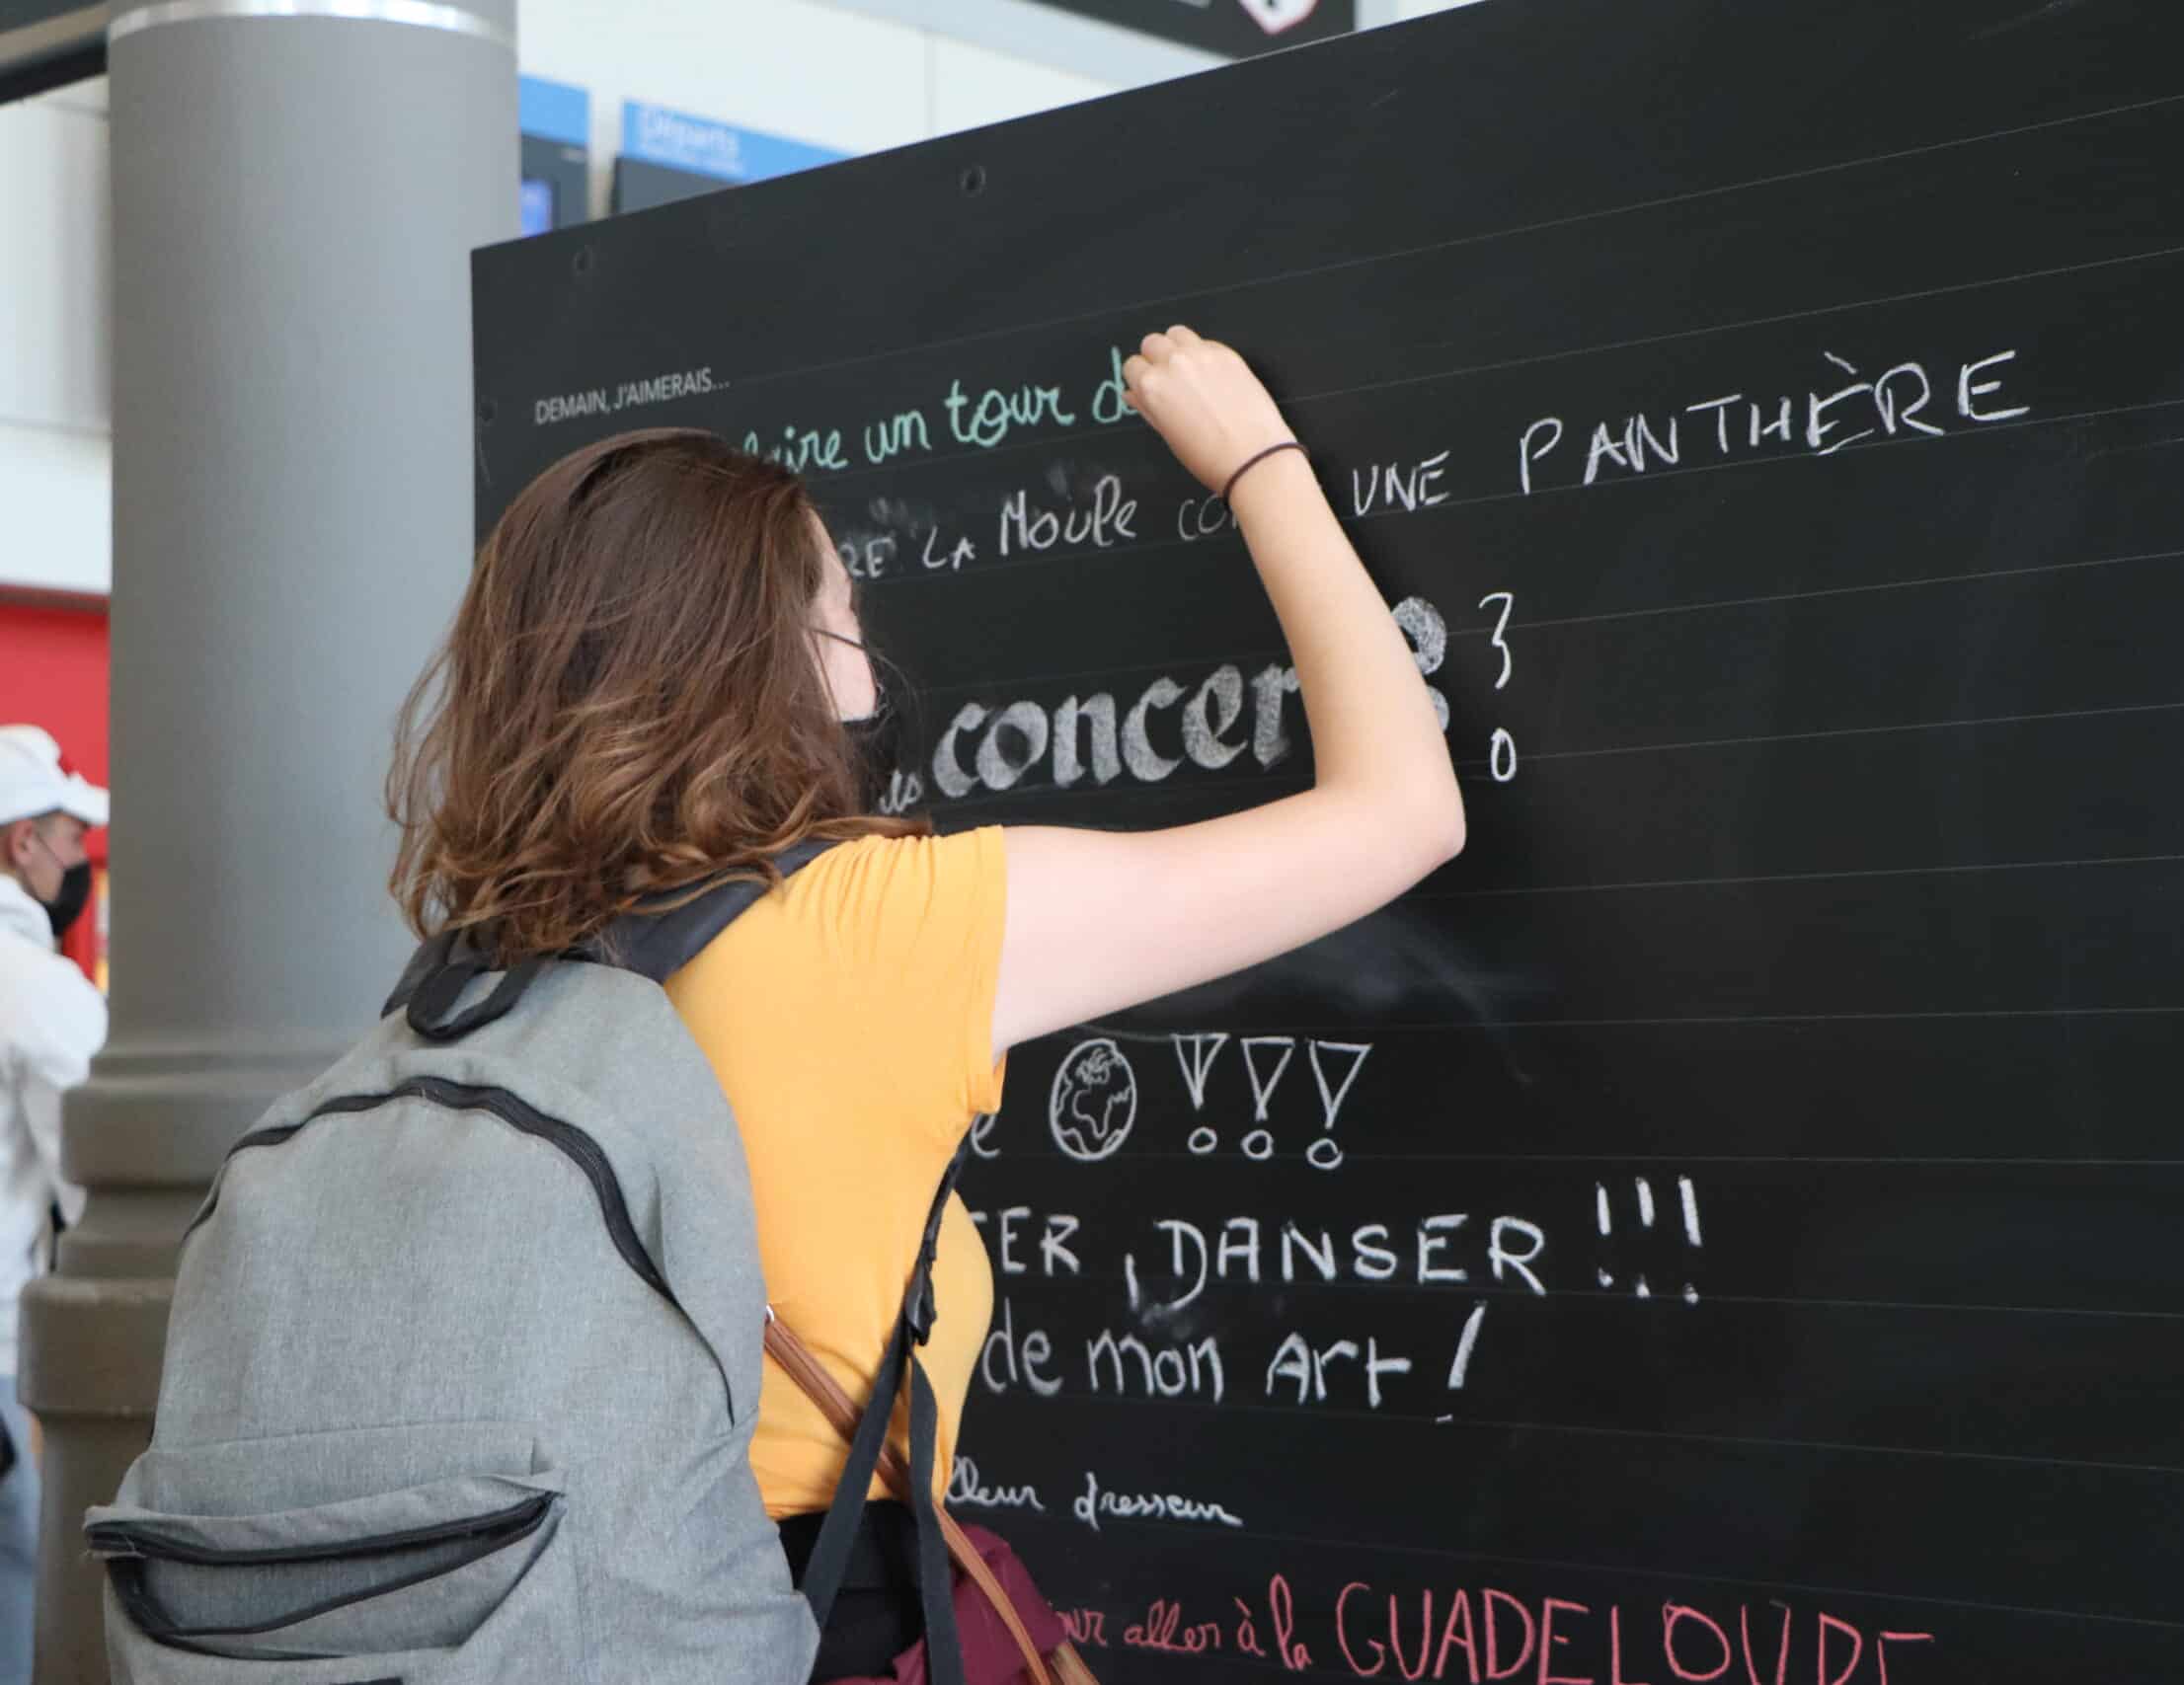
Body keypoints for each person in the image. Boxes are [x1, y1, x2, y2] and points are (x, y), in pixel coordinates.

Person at [386, 326, 1464, 1677]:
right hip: (786, 1617)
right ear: (764, 655)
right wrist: (1256, 455)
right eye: (844, 612)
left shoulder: (463, 980)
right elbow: (1404, 809)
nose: (867, 654)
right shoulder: (874, 927)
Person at [0, 725, 107, 1685]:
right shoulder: (37, 988)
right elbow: (101, 1173)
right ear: (20, 843)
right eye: (71, 837)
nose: (81, 859)